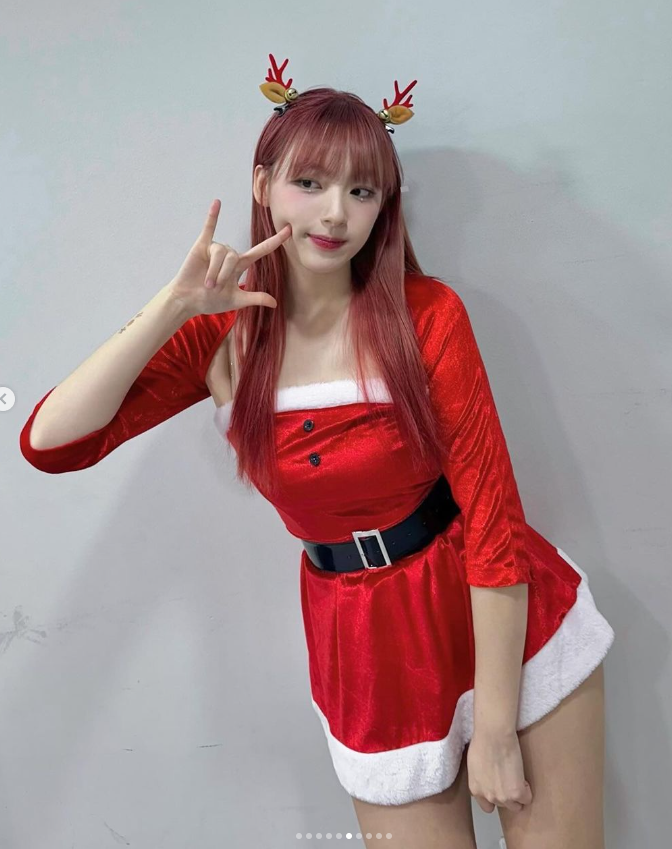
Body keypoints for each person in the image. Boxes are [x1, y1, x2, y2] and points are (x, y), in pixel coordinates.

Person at [20, 54, 615, 849]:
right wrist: (172, 306)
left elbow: (493, 518)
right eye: (311, 183)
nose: (336, 213)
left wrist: (498, 729)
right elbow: (50, 444)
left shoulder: (427, 315)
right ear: (263, 184)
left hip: (502, 621)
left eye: (362, 191)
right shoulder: (223, 336)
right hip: (365, 644)